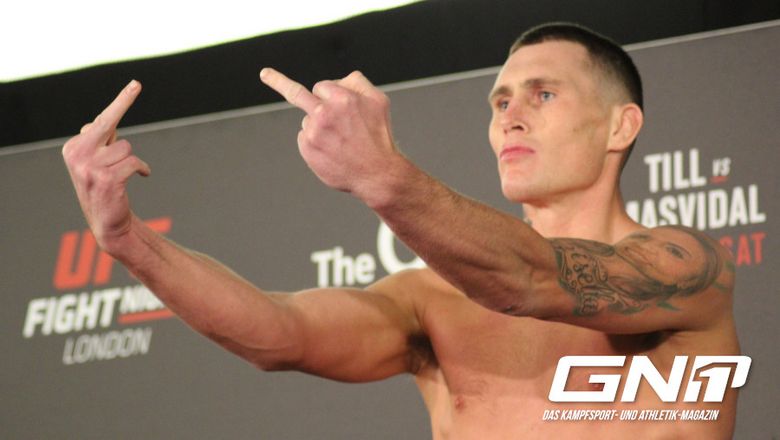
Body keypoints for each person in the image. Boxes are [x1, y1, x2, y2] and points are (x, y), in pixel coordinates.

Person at [62, 23, 740, 439]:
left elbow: (532, 279)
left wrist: (382, 177)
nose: (510, 116)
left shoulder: (684, 269)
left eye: (543, 94)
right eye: (500, 100)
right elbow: (279, 333)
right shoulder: (432, 301)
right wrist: (129, 242)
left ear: (621, 125)